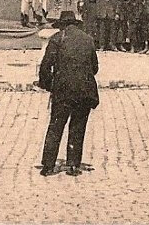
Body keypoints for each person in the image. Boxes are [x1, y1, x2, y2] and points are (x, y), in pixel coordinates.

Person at [37, 10, 100, 176]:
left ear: (62, 25)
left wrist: (49, 85)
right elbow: (95, 68)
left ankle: (48, 165)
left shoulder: (57, 39)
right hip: (85, 91)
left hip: (63, 91)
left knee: (56, 126)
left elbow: (45, 67)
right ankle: (73, 165)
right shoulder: (88, 39)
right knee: (78, 127)